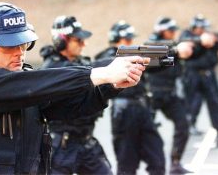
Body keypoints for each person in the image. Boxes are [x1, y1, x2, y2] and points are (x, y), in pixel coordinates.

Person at [0, 2, 147, 174]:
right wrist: (100, 73)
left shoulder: (27, 82)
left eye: (24, 45)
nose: (19, 53)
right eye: (9, 46)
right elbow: (18, 85)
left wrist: (110, 86)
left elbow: (68, 107)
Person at [39, 15, 115, 175]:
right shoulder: (52, 68)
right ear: (61, 41)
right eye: (78, 40)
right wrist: (114, 64)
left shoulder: (81, 63)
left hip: (86, 143)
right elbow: (80, 72)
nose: (84, 44)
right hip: (62, 148)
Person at [95, 20, 166, 175]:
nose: (131, 42)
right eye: (127, 40)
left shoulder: (135, 56)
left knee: (157, 160)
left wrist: (170, 54)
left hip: (143, 110)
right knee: (127, 165)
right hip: (124, 113)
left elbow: (159, 63)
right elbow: (102, 63)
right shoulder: (107, 57)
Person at [179, 14, 218, 147]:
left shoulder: (208, 36)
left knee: (216, 102)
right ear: (194, 27)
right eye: (200, 27)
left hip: (208, 74)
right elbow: (185, 43)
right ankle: (190, 125)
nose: (203, 29)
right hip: (193, 74)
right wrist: (200, 40)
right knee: (193, 103)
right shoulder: (186, 36)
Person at [145, 17, 193, 174]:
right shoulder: (152, 43)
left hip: (170, 93)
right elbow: (154, 50)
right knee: (145, 130)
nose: (173, 33)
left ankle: (175, 162)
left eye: (174, 31)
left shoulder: (174, 45)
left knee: (183, 125)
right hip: (152, 93)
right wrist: (177, 49)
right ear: (161, 31)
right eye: (170, 30)